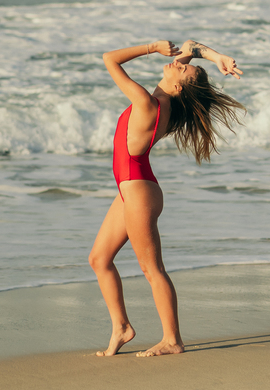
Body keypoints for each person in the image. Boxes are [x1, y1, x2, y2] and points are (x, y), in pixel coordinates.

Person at [89, 38, 245, 357]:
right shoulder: (167, 98)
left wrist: (151, 47)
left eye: (183, 69)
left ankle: (172, 339)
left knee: (152, 269)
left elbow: (109, 59)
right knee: (99, 259)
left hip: (139, 192)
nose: (179, 62)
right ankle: (122, 328)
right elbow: (190, 46)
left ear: (179, 87)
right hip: (132, 189)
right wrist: (218, 58)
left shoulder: (148, 103)